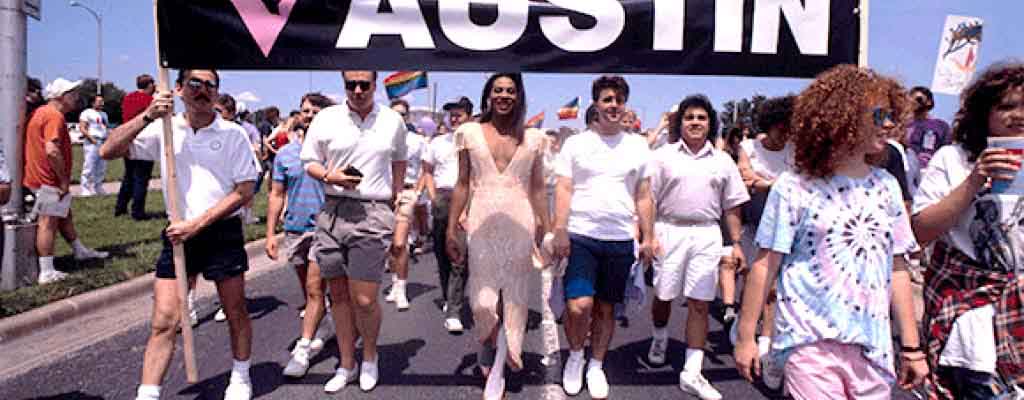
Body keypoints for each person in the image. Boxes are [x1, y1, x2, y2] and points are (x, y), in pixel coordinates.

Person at [734, 65, 928, 399]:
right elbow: (765, 265)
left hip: (873, 349)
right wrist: (746, 336)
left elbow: (897, 269)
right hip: (809, 344)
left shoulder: (887, 187)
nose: (888, 124)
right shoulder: (794, 187)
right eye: (879, 114)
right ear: (842, 116)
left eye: (891, 115)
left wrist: (911, 347)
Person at [101, 69, 261, 400]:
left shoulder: (233, 134)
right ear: (178, 89)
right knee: (164, 320)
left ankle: (241, 376)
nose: (202, 91)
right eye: (194, 84)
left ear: (218, 92)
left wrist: (199, 223)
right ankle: (148, 393)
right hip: (178, 235)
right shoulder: (165, 129)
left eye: (210, 86)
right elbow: (109, 151)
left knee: (235, 311)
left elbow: (244, 190)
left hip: (221, 231)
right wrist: (147, 115)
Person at [911, 62, 1024, 399]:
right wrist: (975, 180)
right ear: (983, 112)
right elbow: (920, 230)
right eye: (1006, 106)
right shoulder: (953, 159)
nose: (1018, 115)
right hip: (970, 327)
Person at [300, 70, 408, 393]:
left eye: (365, 84)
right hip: (333, 211)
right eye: (351, 84)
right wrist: (331, 176)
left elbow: (399, 159)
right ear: (344, 84)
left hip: (371, 213)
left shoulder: (392, 121)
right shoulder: (327, 118)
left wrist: (396, 193)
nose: (358, 90)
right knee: (339, 296)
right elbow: (310, 161)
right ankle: (347, 363)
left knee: (364, 298)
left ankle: (370, 356)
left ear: (375, 85)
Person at [445, 73, 551, 397]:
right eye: (498, 90)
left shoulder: (534, 138)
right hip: (482, 219)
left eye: (510, 91)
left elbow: (536, 185)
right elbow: (462, 183)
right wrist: (451, 228)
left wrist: (544, 224)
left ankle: (500, 365)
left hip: (520, 218)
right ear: (488, 95)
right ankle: (488, 345)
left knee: (514, 297)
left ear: (519, 96)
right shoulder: (468, 133)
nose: (504, 96)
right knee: (482, 299)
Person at [553, 75, 656, 399]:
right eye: (607, 99)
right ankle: (575, 356)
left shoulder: (638, 145)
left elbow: (643, 194)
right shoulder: (576, 144)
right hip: (582, 234)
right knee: (579, 305)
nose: (613, 105)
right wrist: (559, 229)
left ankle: (596, 365)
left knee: (606, 309)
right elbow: (564, 188)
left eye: (619, 100)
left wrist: (649, 237)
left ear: (625, 105)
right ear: (595, 104)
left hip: (620, 239)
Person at [645, 95, 749, 400]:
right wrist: (649, 237)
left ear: (710, 123)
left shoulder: (722, 161)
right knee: (663, 295)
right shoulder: (663, 156)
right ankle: (660, 336)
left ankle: (692, 371)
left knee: (701, 302)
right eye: (689, 117)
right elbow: (648, 200)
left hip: (706, 235)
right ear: (681, 122)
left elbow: (732, 206)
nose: (695, 123)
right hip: (669, 231)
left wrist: (737, 244)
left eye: (701, 118)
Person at [729, 95, 797, 389]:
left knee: (774, 287)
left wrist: (765, 183)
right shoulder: (748, 147)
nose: (785, 134)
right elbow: (745, 176)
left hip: (787, 225)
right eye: (780, 128)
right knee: (753, 278)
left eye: (789, 128)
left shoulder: (795, 149)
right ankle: (745, 320)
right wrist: (777, 184)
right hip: (754, 220)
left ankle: (768, 344)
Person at [266, 92, 334, 378]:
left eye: (317, 110)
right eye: (306, 110)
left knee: (314, 289)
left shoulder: (334, 152)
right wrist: (270, 232)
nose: (310, 114)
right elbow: (276, 194)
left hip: (325, 228)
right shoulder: (285, 154)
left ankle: (303, 348)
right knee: (308, 291)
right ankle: (327, 323)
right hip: (295, 230)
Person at [25, 78, 109, 285]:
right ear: (62, 96)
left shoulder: (41, 112)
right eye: (73, 94)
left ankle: (79, 250)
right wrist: (63, 181)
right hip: (49, 179)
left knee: (64, 215)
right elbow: (52, 150)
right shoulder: (55, 117)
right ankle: (46, 270)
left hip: (39, 176)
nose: (77, 98)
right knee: (49, 222)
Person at [424, 95, 473, 333]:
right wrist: (433, 197)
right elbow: (428, 171)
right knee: (442, 254)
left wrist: (467, 208)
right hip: (442, 199)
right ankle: (449, 297)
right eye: (451, 115)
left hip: (467, 199)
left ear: (469, 117)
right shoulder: (436, 143)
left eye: (459, 115)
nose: (454, 119)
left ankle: (454, 311)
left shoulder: (476, 143)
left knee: (459, 256)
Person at [383, 98, 424, 311]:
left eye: (403, 114)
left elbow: (427, 168)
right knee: (389, 245)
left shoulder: (417, 141)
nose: (399, 117)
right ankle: (394, 283)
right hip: (383, 194)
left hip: (407, 192)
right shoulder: (381, 139)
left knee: (400, 243)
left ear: (407, 117)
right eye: (395, 113)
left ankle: (402, 288)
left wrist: (417, 191)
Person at [216, 95, 262, 225]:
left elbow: (254, 149)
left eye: (219, 111)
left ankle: (245, 215)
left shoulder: (237, 131)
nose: (215, 115)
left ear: (231, 113)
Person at [116, 74, 157, 220]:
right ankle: (138, 211)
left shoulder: (128, 97)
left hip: (128, 137)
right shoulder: (150, 100)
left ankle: (120, 208)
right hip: (144, 139)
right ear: (150, 85)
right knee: (141, 178)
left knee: (128, 176)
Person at [905, 86, 953, 168]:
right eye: (911, 100)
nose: (914, 102)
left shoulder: (941, 126)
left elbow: (947, 152)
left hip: (929, 170)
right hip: (907, 167)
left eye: (919, 99)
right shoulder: (904, 125)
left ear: (929, 102)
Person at [78, 95, 110, 196]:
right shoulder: (86, 113)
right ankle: (85, 188)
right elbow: (82, 128)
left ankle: (98, 187)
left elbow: (105, 128)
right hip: (92, 141)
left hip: (103, 141)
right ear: (93, 103)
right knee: (89, 165)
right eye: (99, 101)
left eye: (102, 101)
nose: (102, 103)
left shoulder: (104, 114)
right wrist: (91, 139)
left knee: (101, 166)